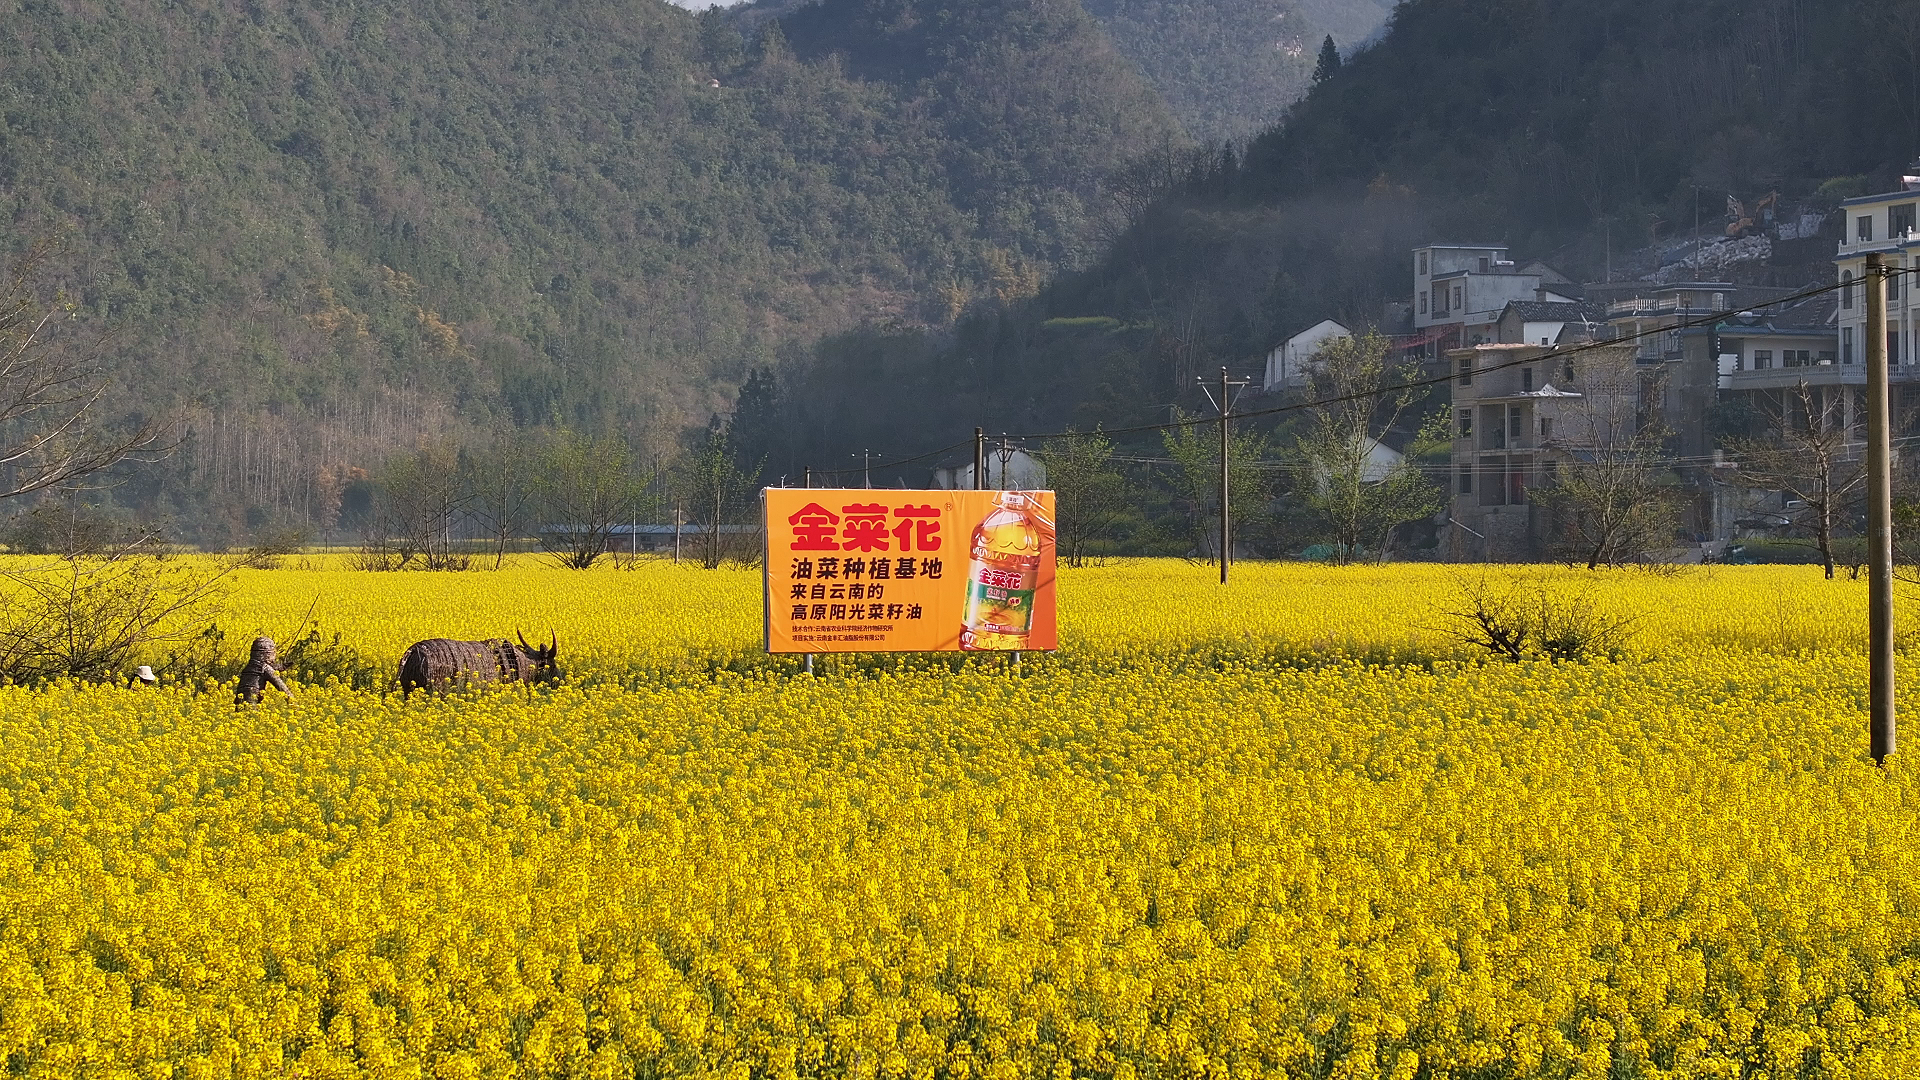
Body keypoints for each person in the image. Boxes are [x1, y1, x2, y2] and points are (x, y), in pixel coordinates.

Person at [235, 637, 293, 704]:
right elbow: (282, 688)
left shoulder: (248, 667)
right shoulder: (264, 668)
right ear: (268, 654)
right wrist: (293, 703)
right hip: (253, 703)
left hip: (239, 703)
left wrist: (282, 667)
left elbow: (272, 667)